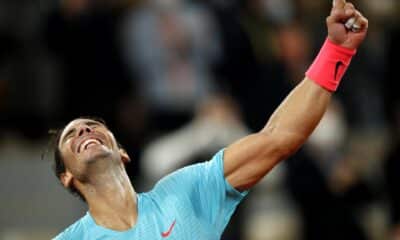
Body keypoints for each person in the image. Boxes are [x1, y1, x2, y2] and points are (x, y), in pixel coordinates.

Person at [53, 1, 368, 239]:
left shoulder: (185, 191)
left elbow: (278, 138)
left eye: (93, 126)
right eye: (71, 135)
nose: (84, 129)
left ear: (122, 152)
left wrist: (336, 51)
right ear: (66, 176)